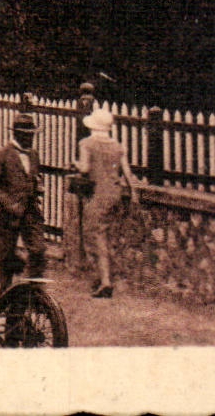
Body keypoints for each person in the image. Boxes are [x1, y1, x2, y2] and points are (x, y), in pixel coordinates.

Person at [74, 107, 137, 298]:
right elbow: (127, 172)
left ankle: (104, 281)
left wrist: (75, 164)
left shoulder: (86, 144)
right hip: (115, 194)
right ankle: (106, 277)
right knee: (108, 236)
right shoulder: (118, 146)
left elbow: (84, 168)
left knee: (96, 237)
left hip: (96, 195)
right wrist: (134, 193)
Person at [0, 113, 48, 279]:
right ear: (17, 134)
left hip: (30, 211)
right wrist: (9, 203)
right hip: (7, 214)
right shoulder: (2, 154)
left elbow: (34, 178)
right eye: (27, 135)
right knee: (6, 257)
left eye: (32, 134)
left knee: (38, 250)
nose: (31, 138)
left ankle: (32, 290)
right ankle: (3, 294)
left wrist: (37, 187)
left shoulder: (33, 154)